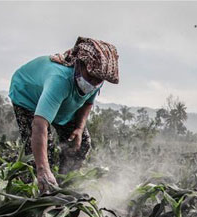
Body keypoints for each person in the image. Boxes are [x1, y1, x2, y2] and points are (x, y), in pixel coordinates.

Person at [8, 37, 119, 193]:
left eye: (99, 79)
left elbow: (88, 103)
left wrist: (79, 128)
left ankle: (64, 187)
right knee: (43, 155)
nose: (94, 82)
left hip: (60, 103)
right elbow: (39, 125)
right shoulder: (60, 80)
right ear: (80, 65)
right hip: (27, 95)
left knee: (82, 143)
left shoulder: (94, 80)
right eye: (91, 76)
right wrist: (43, 169)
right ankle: (33, 193)